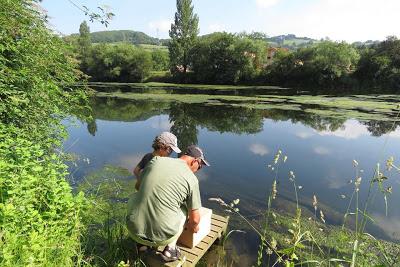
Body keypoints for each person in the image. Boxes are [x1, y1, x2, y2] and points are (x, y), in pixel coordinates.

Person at [126, 145, 210, 262]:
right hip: (161, 238)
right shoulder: (192, 179)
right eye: (199, 166)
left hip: (133, 231)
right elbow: (195, 219)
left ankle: (141, 245)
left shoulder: (156, 161)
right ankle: (170, 249)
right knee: (185, 209)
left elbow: (138, 187)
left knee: (135, 197)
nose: (198, 170)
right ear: (194, 161)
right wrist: (193, 227)